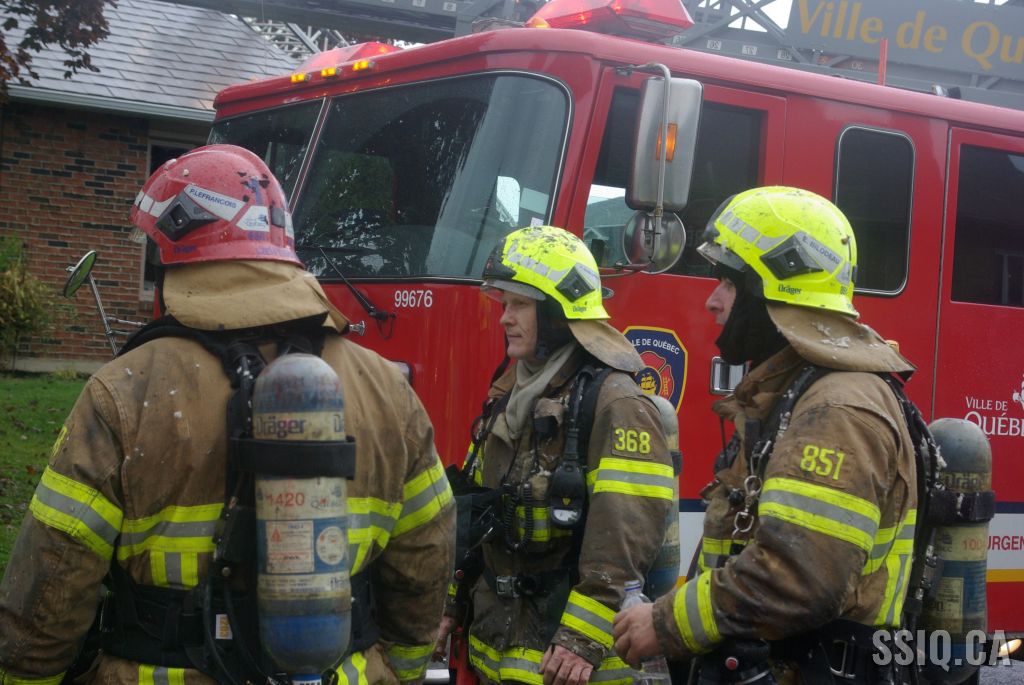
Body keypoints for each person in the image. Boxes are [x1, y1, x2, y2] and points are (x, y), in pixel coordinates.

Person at [0, 145, 455, 685]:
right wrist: (397, 670)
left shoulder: (124, 390)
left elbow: (53, 578)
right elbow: (426, 553)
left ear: (174, 246)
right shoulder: (385, 386)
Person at [613, 186, 919, 683]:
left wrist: (668, 622)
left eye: (727, 283)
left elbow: (800, 577)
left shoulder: (838, 410)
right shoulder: (796, 396)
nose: (712, 301)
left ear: (773, 288)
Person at [437, 226, 677, 685]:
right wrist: (450, 601)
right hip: (496, 655)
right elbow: (478, 512)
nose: (505, 318)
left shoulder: (615, 402)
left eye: (519, 305)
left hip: (571, 669)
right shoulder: (508, 398)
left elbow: (625, 535)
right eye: (504, 304)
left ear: (557, 311)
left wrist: (582, 638)